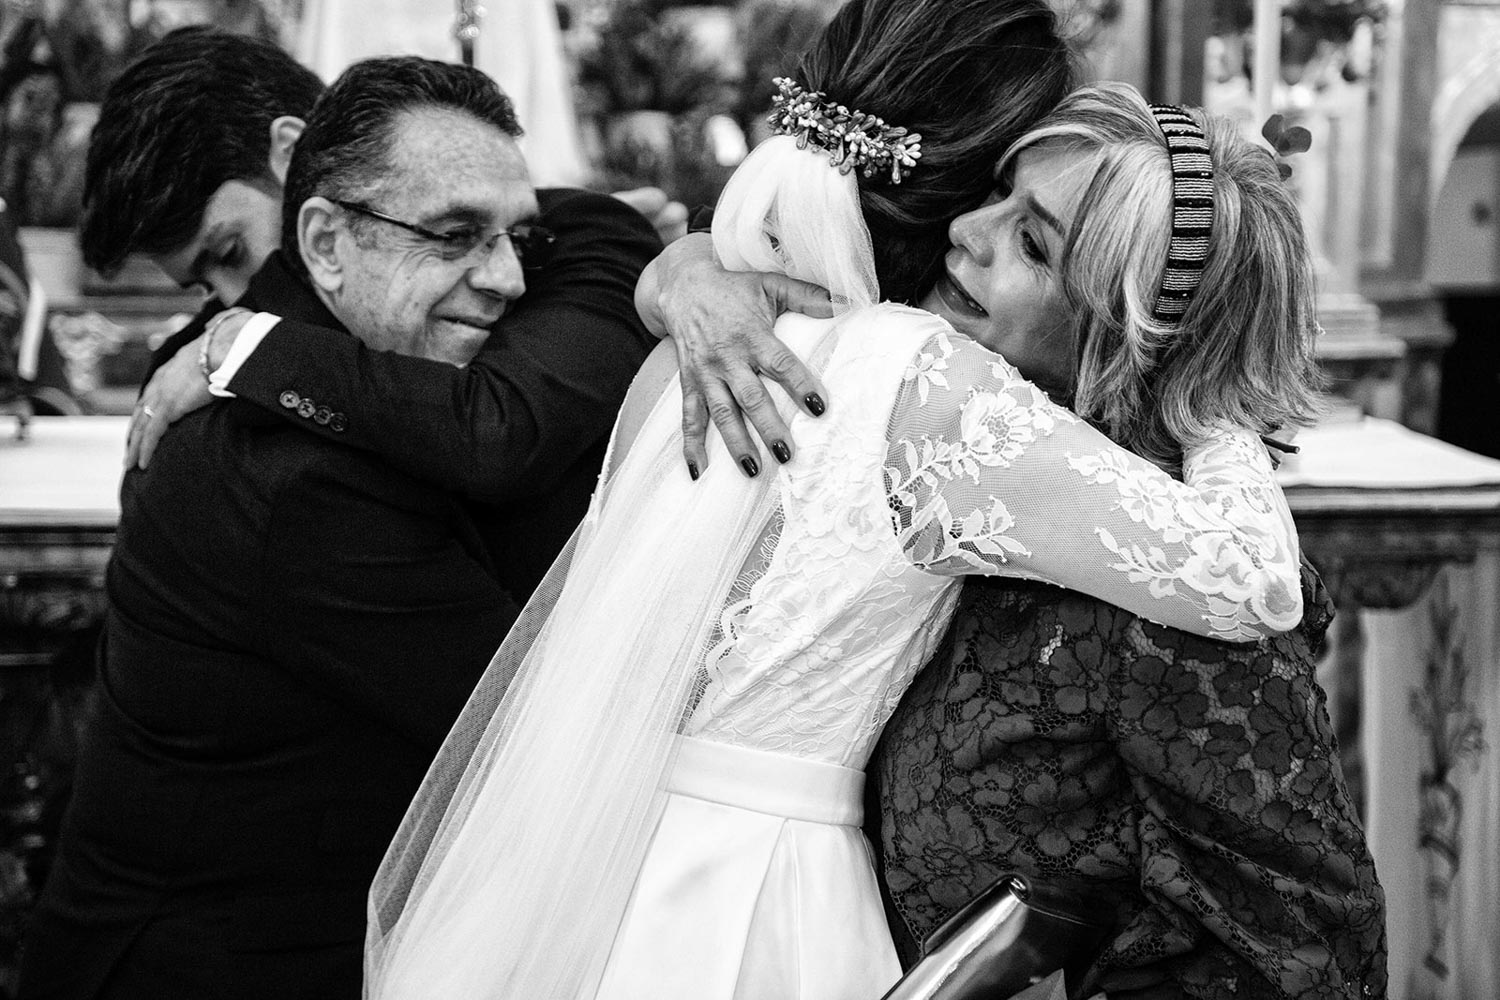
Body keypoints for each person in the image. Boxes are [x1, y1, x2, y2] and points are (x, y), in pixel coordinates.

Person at [362, 5, 1324, 999]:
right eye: (994, 191)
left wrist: (685, 265)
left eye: (1031, 239)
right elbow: (1253, 580)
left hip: (584, 859)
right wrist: (1212, 397)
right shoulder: (929, 382)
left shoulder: (711, 330)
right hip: (758, 887)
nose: (971, 230)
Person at [16, 58, 554, 1000]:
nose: (509, 278)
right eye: (455, 235)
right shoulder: (287, 471)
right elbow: (533, 728)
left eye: (517, 237)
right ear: (324, 238)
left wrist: (683, 267)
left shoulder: (345, 374)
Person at [80, 26, 674, 599]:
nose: (234, 298)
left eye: (231, 251)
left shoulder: (573, 237)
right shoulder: (199, 378)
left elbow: (499, 434)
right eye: (202, 287)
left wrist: (694, 261)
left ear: (289, 154)